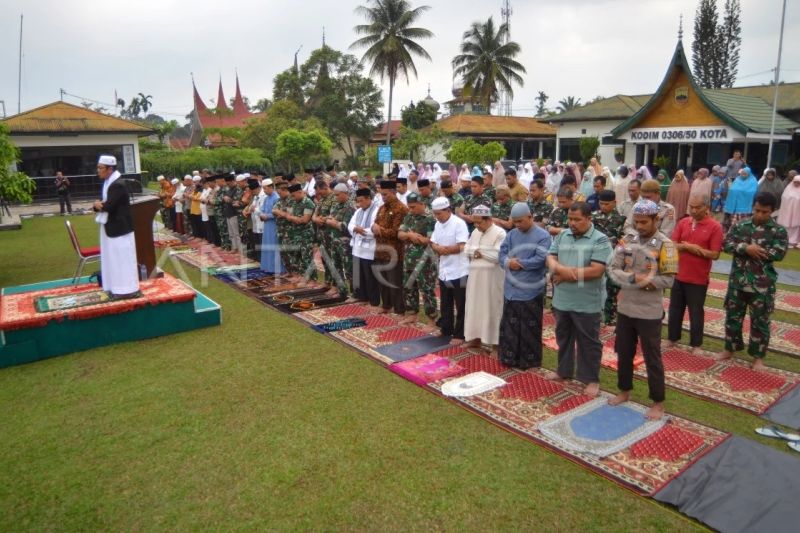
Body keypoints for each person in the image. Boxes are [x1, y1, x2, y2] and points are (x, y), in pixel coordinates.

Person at [608, 199, 677, 420]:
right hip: (626, 307)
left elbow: (668, 281)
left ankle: (657, 402)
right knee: (624, 352)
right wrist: (634, 277)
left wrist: (644, 280)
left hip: (649, 310)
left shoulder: (667, 246)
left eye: (644, 222)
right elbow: (613, 268)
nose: (639, 226)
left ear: (657, 219)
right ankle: (624, 390)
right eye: (636, 221)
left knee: (652, 356)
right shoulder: (628, 241)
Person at [546, 202, 613, 396]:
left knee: (588, 341)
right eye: (570, 219)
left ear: (589, 219)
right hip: (562, 300)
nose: (572, 223)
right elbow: (551, 256)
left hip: (587, 302)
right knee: (564, 338)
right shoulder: (562, 235)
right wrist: (559, 269)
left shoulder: (600, 240)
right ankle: (563, 370)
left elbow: (597, 270)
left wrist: (565, 274)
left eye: (577, 219)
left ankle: (590, 379)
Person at [719, 192, 788, 370]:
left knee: (760, 321)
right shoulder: (741, 225)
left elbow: (779, 253)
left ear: (772, 211)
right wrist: (745, 247)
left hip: (762, 284)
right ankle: (730, 349)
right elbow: (726, 244)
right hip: (738, 281)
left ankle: (758, 357)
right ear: (752, 207)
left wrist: (758, 251)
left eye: (765, 212)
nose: (760, 215)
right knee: (733, 317)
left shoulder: (778, 231)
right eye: (757, 210)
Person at [667, 193, 723, 351]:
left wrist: (694, 249)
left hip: (698, 278)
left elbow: (715, 254)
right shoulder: (683, 222)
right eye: (691, 207)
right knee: (675, 309)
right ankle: (672, 338)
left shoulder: (715, 227)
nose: (693, 210)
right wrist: (686, 247)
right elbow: (672, 245)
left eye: (697, 207)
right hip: (679, 274)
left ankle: (696, 344)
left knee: (696, 312)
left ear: (707, 208)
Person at [497, 203, 551, 368]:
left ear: (530, 217)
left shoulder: (543, 236)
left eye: (521, 221)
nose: (518, 225)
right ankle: (509, 358)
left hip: (531, 289)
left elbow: (541, 259)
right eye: (515, 222)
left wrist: (518, 264)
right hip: (511, 289)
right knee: (510, 325)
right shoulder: (512, 234)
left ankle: (528, 361)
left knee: (529, 327)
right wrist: (507, 261)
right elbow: (502, 254)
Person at [92, 155, 140, 298]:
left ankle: (126, 289)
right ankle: (115, 287)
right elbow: (105, 204)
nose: (98, 171)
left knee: (121, 259)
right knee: (112, 259)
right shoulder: (109, 183)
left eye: (100, 168)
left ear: (110, 169)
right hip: (112, 227)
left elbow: (109, 206)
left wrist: (98, 205)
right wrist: (98, 205)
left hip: (120, 229)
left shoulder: (118, 185)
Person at [463, 205, 507, 351]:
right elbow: (466, 249)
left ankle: (494, 344)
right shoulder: (475, 231)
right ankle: (475, 338)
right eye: (474, 222)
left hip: (492, 279)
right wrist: (479, 251)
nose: (476, 225)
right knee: (474, 306)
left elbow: (497, 256)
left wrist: (478, 251)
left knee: (492, 308)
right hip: (475, 277)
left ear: (488, 219)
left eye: (479, 222)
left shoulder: (500, 233)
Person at [430, 197, 470, 344]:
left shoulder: (459, 224)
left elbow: (462, 246)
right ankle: (446, 329)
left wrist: (445, 250)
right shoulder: (437, 224)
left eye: (439, 213)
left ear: (448, 210)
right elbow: (433, 242)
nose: (437, 217)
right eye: (435, 214)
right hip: (445, 270)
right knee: (445, 302)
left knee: (461, 304)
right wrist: (437, 248)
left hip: (460, 270)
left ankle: (460, 335)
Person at [398, 193, 438, 325]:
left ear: (422, 204)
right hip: (409, 258)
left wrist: (417, 238)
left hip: (425, 261)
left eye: (414, 207)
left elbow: (431, 240)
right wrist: (410, 235)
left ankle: (432, 319)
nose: (411, 209)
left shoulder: (431, 219)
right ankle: (412, 314)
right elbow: (400, 234)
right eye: (409, 207)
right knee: (409, 287)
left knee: (426, 289)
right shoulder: (409, 216)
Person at [372, 180, 408, 314]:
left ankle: (399, 309)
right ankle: (386, 305)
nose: (383, 197)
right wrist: (374, 228)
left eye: (385, 194)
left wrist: (379, 230)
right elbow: (374, 224)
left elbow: (397, 232)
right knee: (382, 281)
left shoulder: (401, 209)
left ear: (393, 193)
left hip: (394, 252)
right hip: (380, 250)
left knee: (394, 283)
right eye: (382, 195)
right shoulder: (382, 208)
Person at [591, 190, 626, 324]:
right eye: (601, 203)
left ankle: (610, 317)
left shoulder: (622, 219)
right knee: (595, 287)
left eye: (606, 204)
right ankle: (596, 315)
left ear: (614, 203)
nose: (603, 206)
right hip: (595, 258)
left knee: (612, 288)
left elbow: (624, 239)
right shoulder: (593, 217)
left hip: (614, 259)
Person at [348, 188, 381, 307]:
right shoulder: (358, 211)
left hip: (368, 249)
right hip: (357, 248)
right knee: (358, 274)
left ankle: (373, 301)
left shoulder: (376, 210)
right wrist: (355, 229)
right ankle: (362, 297)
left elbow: (374, 230)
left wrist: (360, 230)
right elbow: (350, 225)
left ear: (368, 199)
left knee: (370, 277)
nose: (359, 204)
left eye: (361, 201)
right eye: (358, 201)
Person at [325, 183, 356, 298]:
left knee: (349, 269)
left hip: (345, 243)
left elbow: (347, 227)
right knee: (336, 266)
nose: (336, 197)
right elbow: (329, 218)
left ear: (345, 194)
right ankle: (341, 290)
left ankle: (354, 293)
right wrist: (333, 222)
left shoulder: (350, 208)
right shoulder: (337, 206)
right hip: (334, 240)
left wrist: (334, 222)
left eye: (338, 195)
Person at [285, 183, 316, 281]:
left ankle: (312, 279)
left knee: (307, 257)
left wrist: (293, 218)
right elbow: (288, 215)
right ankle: (301, 275)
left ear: (300, 192)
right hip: (295, 233)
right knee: (297, 256)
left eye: (294, 195)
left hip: (306, 234)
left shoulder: (308, 203)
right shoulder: (293, 202)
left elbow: (305, 220)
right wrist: (295, 218)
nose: (293, 198)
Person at [258, 179, 284, 274]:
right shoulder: (266, 198)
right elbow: (263, 210)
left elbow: (278, 213)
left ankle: (277, 268)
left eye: (265, 188)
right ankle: (268, 267)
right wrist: (261, 215)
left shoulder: (276, 198)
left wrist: (267, 216)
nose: (264, 191)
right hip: (267, 226)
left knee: (274, 246)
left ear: (270, 187)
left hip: (274, 225)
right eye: (263, 189)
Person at [723, 166, 758, 231]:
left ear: (749, 174)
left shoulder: (753, 181)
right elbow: (732, 190)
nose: (743, 175)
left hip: (745, 208)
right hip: (734, 207)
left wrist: (741, 192)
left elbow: (753, 192)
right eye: (742, 173)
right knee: (733, 224)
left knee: (743, 224)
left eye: (745, 174)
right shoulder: (737, 180)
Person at [778, 174, 800, 248]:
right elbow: (784, 198)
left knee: (795, 227)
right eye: (795, 182)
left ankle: (793, 241)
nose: (797, 184)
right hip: (787, 212)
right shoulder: (788, 189)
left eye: (798, 182)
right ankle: (785, 240)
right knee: (786, 226)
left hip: (797, 212)